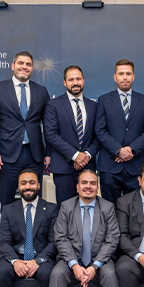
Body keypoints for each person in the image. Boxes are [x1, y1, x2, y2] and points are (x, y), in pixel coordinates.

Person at [48, 169, 125, 287]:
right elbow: (61, 238)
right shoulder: (66, 206)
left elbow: (112, 238)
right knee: (57, 273)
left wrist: (95, 266)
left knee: (111, 275)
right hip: (71, 261)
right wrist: (74, 265)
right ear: (77, 187)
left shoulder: (107, 207)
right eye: (84, 183)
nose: (88, 187)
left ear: (97, 187)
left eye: (92, 183)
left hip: (100, 261)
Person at [0, 169, 59, 287]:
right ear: (18, 186)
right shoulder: (8, 210)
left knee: (47, 274)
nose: (28, 187)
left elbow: (54, 242)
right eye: (23, 183)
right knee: (0, 273)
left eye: (31, 182)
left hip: (41, 258)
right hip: (17, 258)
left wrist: (37, 261)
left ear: (38, 185)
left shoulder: (51, 208)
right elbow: (4, 242)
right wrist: (15, 261)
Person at [0, 52, 51, 207]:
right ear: (13, 66)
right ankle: (5, 232)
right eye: (21, 63)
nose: (24, 67)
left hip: (35, 155)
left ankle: (32, 231)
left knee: (34, 201)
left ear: (32, 68)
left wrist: (49, 153)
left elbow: (48, 126)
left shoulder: (41, 91)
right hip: (6, 156)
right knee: (5, 201)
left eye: (28, 64)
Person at [94, 59, 144, 204]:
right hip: (109, 166)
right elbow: (100, 130)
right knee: (109, 211)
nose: (125, 77)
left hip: (136, 167)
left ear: (133, 77)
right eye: (121, 74)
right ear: (115, 77)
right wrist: (118, 150)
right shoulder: (104, 100)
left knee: (134, 212)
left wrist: (131, 150)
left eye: (128, 74)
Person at [44, 65, 99, 203]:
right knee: (65, 211)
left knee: (89, 208)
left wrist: (85, 156)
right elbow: (51, 134)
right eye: (71, 79)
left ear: (83, 80)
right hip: (63, 168)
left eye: (78, 79)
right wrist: (75, 156)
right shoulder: (53, 105)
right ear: (65, 82)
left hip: (88, 166)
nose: (75, 82)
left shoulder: (93, 106)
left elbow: (98, 135)